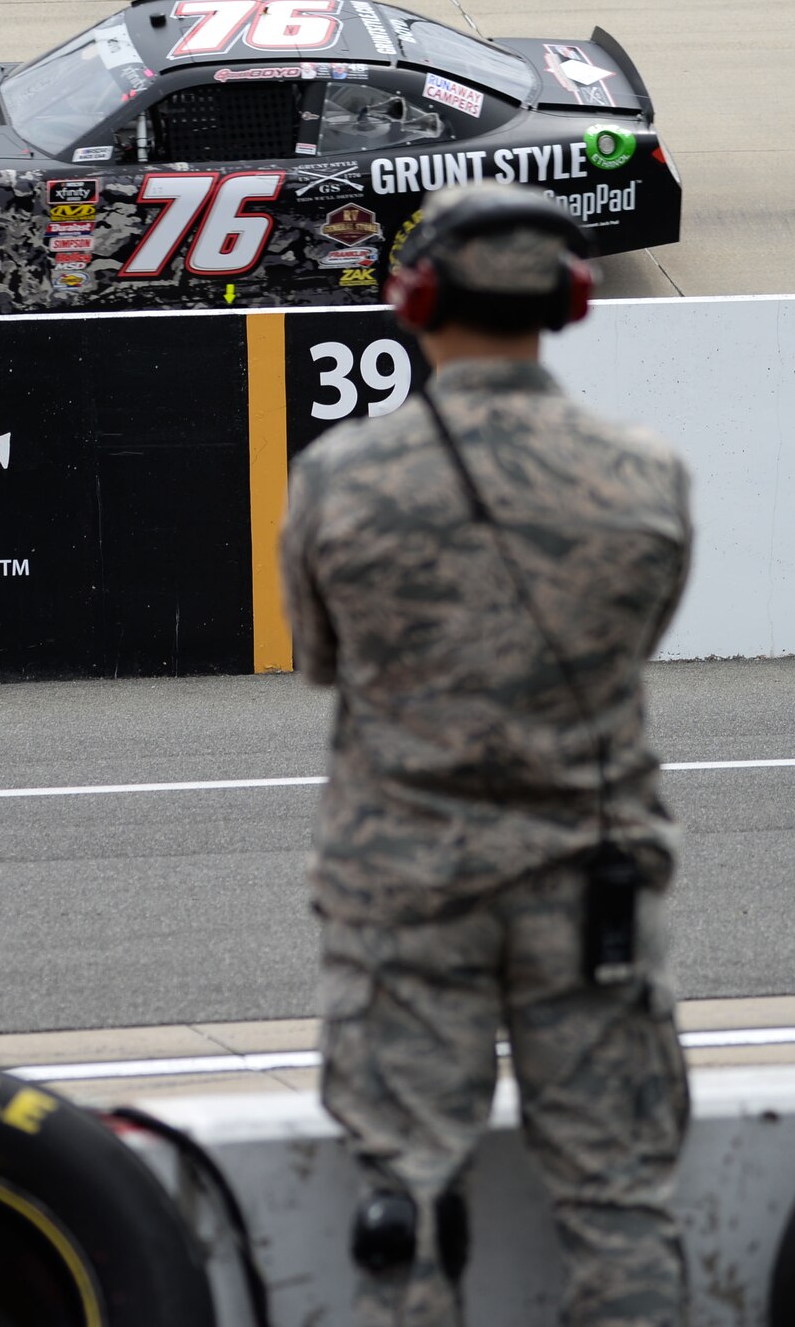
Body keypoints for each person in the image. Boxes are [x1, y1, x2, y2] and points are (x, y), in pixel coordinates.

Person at [280, 183, 693, 1327]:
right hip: (593, 885)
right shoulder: (644, 472)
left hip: (408, 884)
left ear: (413, 296)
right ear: (569, 299)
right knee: (621, 1198)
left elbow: (322, 659)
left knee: (405, 1201)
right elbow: (636, 644)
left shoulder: (342, 478)